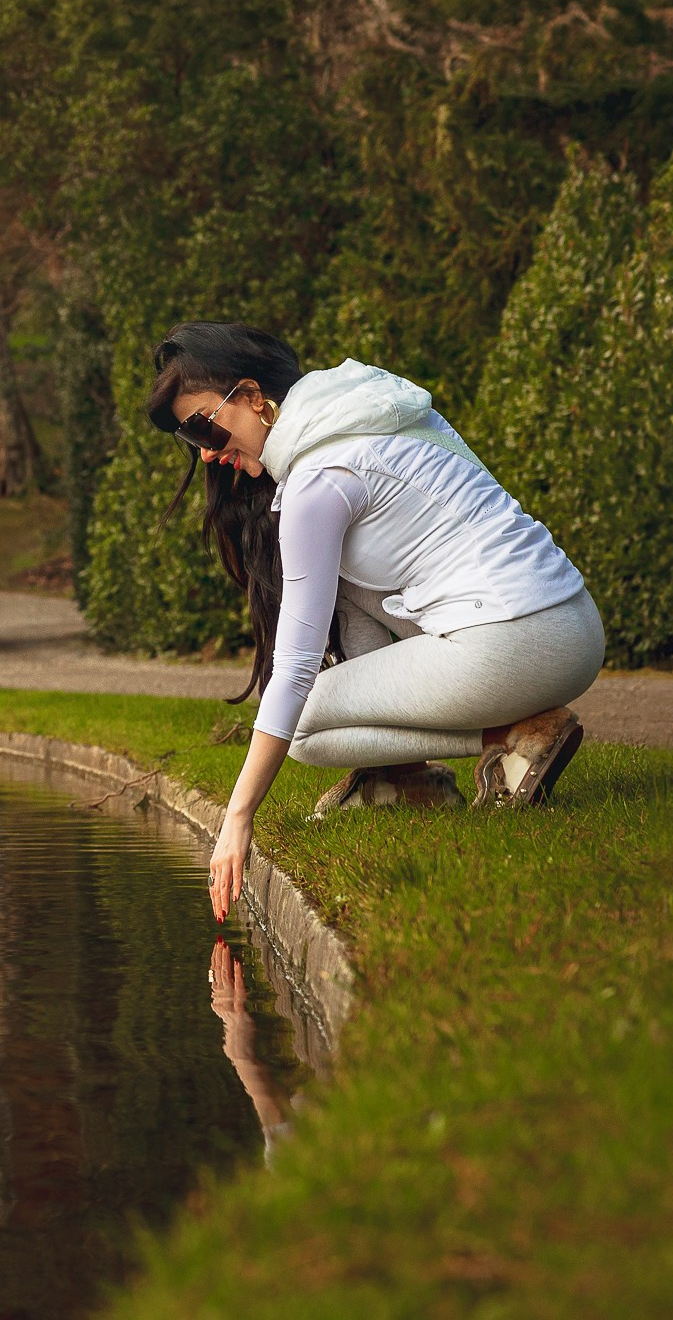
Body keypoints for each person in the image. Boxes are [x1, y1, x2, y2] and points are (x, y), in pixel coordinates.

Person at [145, 322, 605, 922]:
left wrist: (237, 818)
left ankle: (513, 737)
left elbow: (296, 665)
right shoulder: (371, 413)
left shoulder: (316, 482)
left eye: (204, 425)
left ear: (253, 396)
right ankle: (411, 778)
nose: (206, 452)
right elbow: (358, 605)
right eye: (190, 438)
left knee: (302, 722)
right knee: (332, 648)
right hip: (571, 624)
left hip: (510, 639)